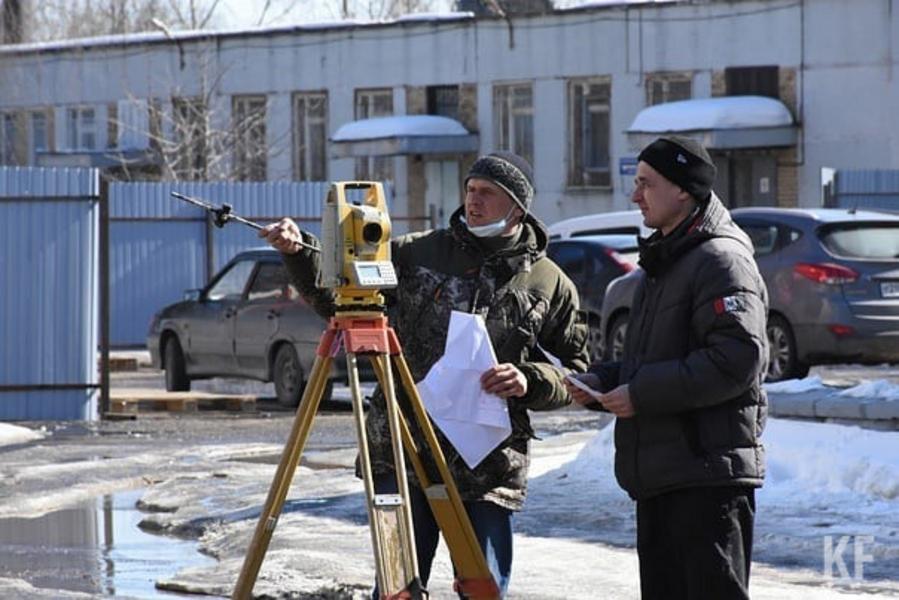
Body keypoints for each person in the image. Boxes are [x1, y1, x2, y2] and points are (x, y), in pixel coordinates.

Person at [260, 151, 589, 598]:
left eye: (487, 194)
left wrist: (530, 379)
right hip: (402, 449)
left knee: (484, 588)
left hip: (486, 464)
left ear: (518, 207)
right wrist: (299, 254)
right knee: (397, 588)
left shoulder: (548, 282)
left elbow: (576, 373)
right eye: (470, 190)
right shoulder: (415, 253)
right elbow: (340, 301)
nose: (473, 201)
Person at [566, 136, 769, 600]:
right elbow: (658, 360)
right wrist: (603, 380)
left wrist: (640, 394)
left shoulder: (720, 260)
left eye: (645, 183)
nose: (635, 195)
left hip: (706, 480)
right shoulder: (668, 259)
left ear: (682, 190)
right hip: (666, 475)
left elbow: (736, 359)